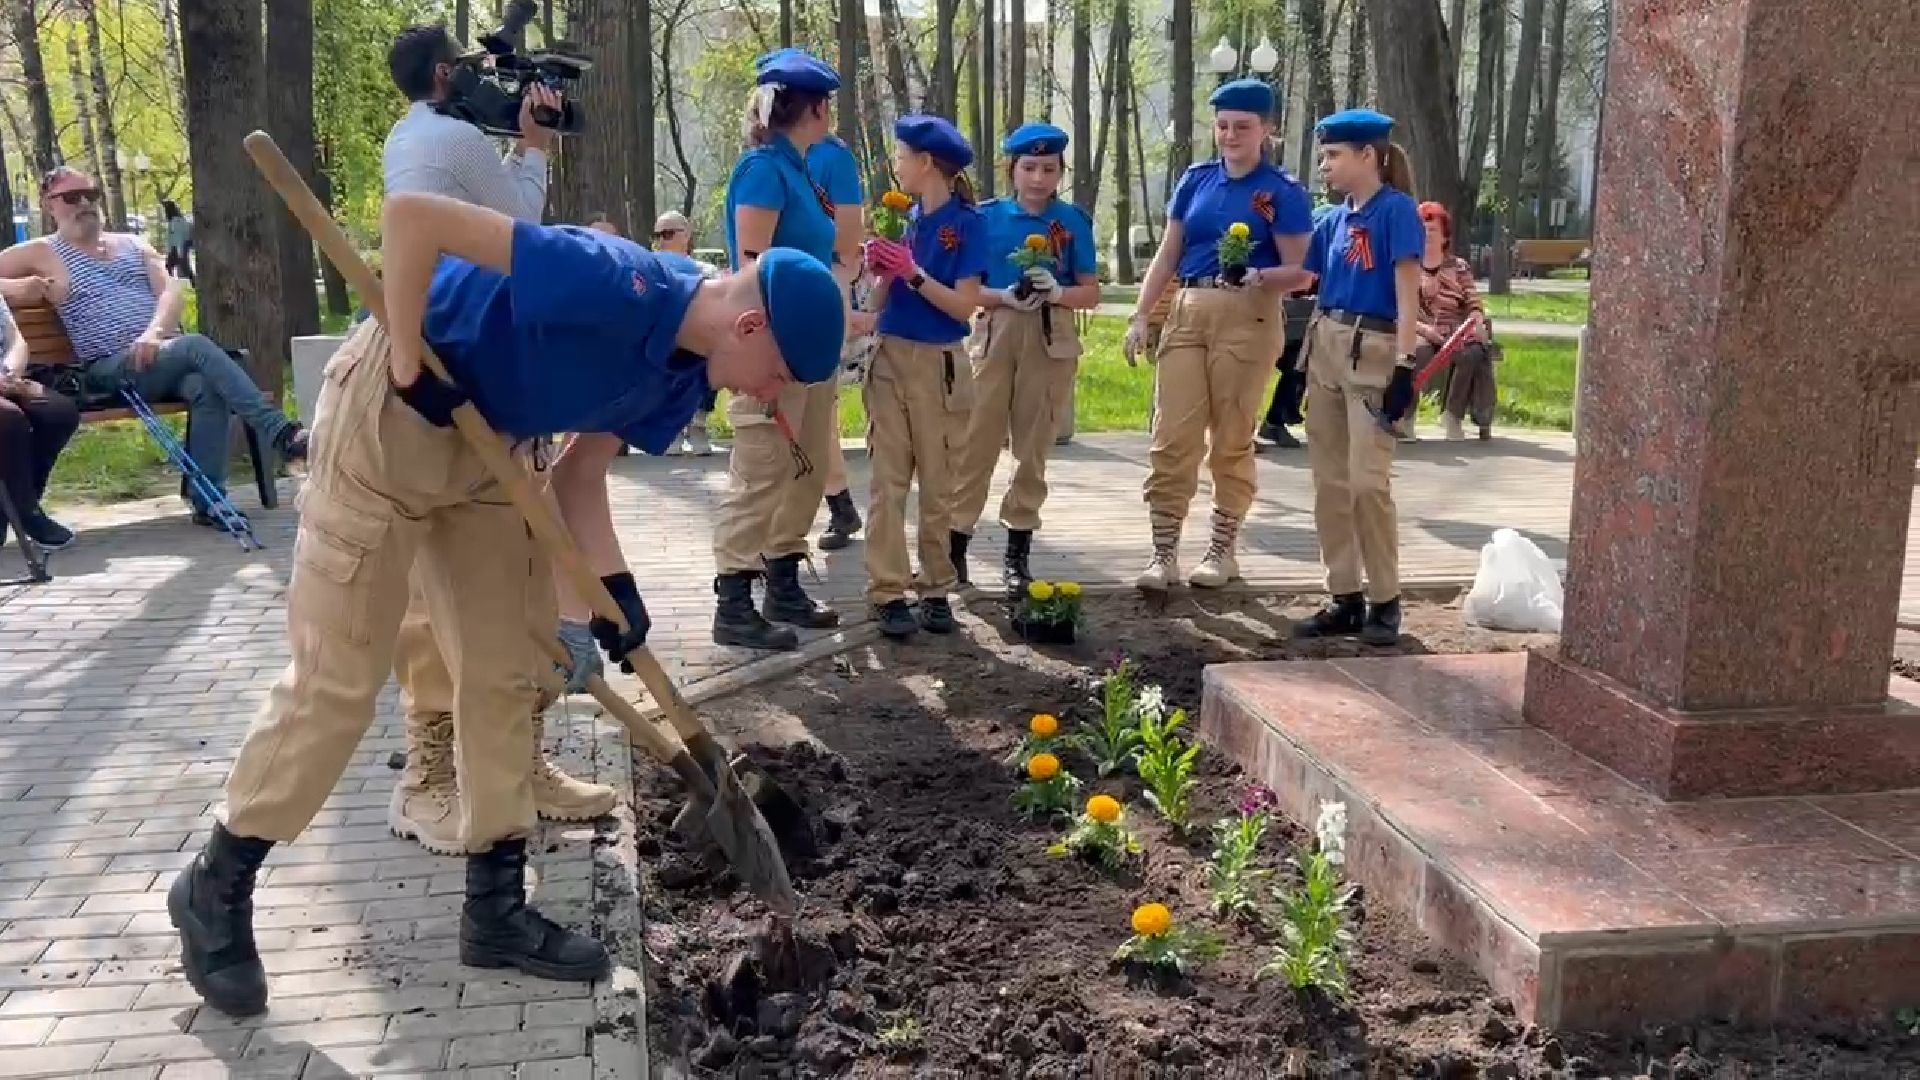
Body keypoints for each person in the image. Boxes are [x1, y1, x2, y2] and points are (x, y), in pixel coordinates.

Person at [166, 192, 845, 1018]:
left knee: (505, 669)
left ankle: (494, 909)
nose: (772, 400)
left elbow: (579, 479)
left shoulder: (683, 375)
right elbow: (414, 218)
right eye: (779, 379)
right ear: (751, 330)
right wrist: (411, 359)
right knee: (340, 678)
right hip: (395, 412)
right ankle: (218, 883)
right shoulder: (612, 280)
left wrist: (616, 594)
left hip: (492, 450)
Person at [376, 21, 612, 854]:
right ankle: (430, 776)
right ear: (446, 75)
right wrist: (533, 149)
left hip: (479, 359)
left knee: (514, 572)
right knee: (439, 587)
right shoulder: (444, 138)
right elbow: (521, 234)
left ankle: (518, 762)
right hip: (443, 369)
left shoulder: (419, 136)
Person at [0, 168, 309, 531]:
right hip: (106, 369)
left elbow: (171, 290)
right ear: (49, 205)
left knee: (205, 386)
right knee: (195, 346)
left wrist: (153, 333)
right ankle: (282, 434)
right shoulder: (45, 251)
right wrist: (22, 287)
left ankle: (209, 500)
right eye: (71, 197)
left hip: (158, 357)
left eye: (91, 195)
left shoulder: (133, 244)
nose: (84, 204)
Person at [1122, 80, 1314, 592]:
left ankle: (1221, 549)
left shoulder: (1283, 192)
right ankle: (1163, 555)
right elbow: (1168, 252)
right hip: (1188, 309)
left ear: (1267, 130)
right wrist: (1142, 314)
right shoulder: (1196, 180)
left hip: (1248, 315)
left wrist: (1258, 275)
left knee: (1230, 439)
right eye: (1223, 125)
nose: (1230, 135)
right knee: (1171, 437)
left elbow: (1301, 270)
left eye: (1243, 127)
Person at [709, 48, 863, 651]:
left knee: (801, 469)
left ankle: (783, 581)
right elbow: (754, 266)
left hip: (810, 348)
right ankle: (733, 599)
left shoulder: (799, 170)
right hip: (771, 348)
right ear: (816, 108)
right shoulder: (763, 171)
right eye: (827, 104)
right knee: (761, 469)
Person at [1290, 109, 1426, 645]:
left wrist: (1406, 363)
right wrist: (1249, 274)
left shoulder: (1397, 212)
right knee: (1330, 482)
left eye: (1333, 155)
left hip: (1375, 349)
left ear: (1368, 155)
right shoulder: (1331, 220)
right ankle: (1343, 595)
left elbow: (1407, 290)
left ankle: (1385, 600)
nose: (1324, 165)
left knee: (1368, 482)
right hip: (1325, 343)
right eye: (1325, 155)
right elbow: (1305, 278)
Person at [950, 122, 1098, 598]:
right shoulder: (986, 218)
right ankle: (954, 550)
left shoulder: (1072, 221)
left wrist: (1060, 292)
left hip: (1050, 335)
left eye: (1048, 169)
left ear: (1061, 172)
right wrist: (1002, 297)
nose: (1038, 178)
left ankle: (1017, 555)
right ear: (1011, 169)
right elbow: (967, 287)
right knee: (975, 442)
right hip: (994, 332)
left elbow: (1091, 291)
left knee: (1032, 448)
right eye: (1029, 167)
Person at [861, 115, 987, 639]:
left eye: (902, 155)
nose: (896, 165)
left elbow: (965, 304)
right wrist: (882, 273)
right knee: (887, 483)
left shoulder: (969, 224)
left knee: (939, 481)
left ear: (928, 163)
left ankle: (936, 586)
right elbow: (877, 302)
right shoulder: (901, 218)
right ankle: (888, 591)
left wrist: (913, 271)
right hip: (890, 356)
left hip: (940, 364)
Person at [804, 130, 867, 555]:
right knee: (808, 413)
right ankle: (838, 503)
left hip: (818, 287)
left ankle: (833, 505)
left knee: (812, 408)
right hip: (779, 289)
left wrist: (839, 294)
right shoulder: (768, 157)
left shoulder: (831, 157)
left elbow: (847, 240)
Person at [0, 293, 78, 551]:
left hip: (4, 377)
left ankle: (10, 506)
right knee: (9, 420)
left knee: (58, 412)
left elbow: (16, 340)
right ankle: (27, 512)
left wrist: (9, 374)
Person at [1416, 201, 1497, 441]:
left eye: (1433, 230)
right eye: (1422, 230)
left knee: (1472, 352)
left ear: (1444, 237)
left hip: (1455, 331)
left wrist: (1475, 322)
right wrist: (1425, 331)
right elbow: (1400, 310)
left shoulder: (1459, 267)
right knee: (1415, 353)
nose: (1427, 236)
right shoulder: (1407, 265)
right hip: (1419, 329)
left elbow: (1474, 304)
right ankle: (1404, 418)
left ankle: (1452, 416)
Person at [649, 211, 718, 456]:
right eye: (657, 235)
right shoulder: (650, 266)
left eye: (668, 234)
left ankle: (698, 424)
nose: (661, 241)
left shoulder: (706, 271)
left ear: (686, 235)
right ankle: (671, 428)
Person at [162, 200, 193, 283]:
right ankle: (192, 281)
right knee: (181, 266)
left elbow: (177, 237)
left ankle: (170, 283)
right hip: (179, 247)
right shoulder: (180, 220)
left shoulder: (175, 222)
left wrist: (178, 251)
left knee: (174, 266)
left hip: (177, 248)